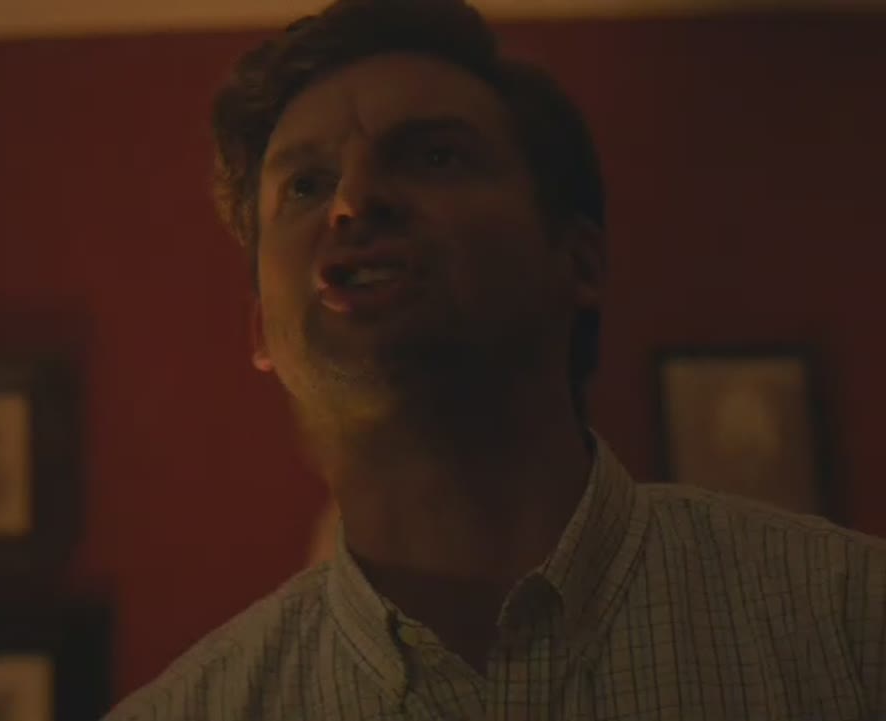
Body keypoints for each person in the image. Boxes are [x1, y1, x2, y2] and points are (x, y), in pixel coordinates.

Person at [103, 0, 886, 718]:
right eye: (306, 185)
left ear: (578, 262)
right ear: (261, 330)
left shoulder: (852, 628)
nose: (354, 201)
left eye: (435, 157)